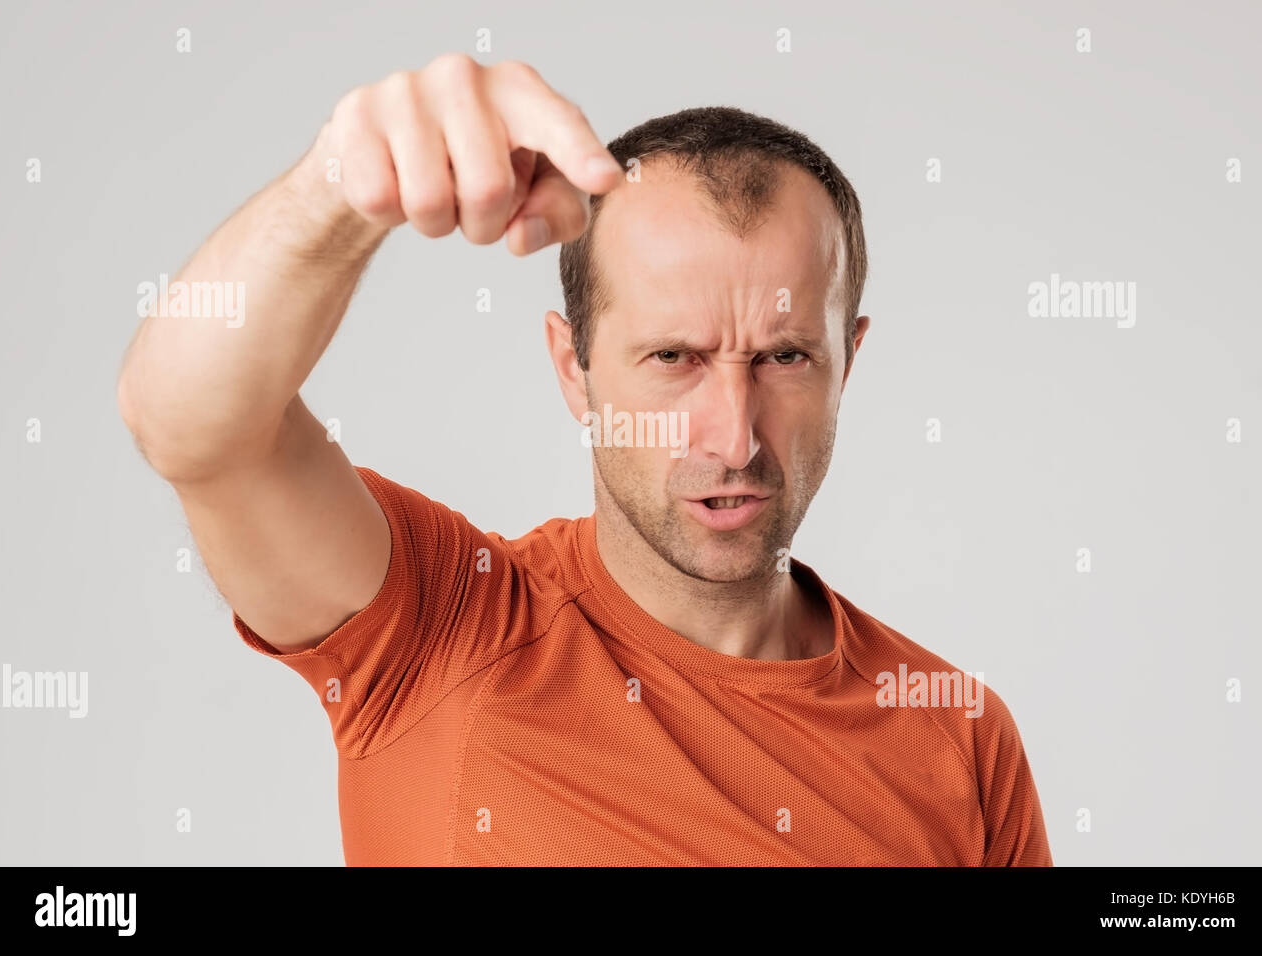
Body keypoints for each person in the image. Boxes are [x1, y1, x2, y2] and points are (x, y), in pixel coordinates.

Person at [117, 54, 1052, 865]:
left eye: (783, 358)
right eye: (673, 359)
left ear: (848, 362)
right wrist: (342, 185)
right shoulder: (442, 631)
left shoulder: (958, 736)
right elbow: (194, 425)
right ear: (575, 368)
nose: (734, 437)